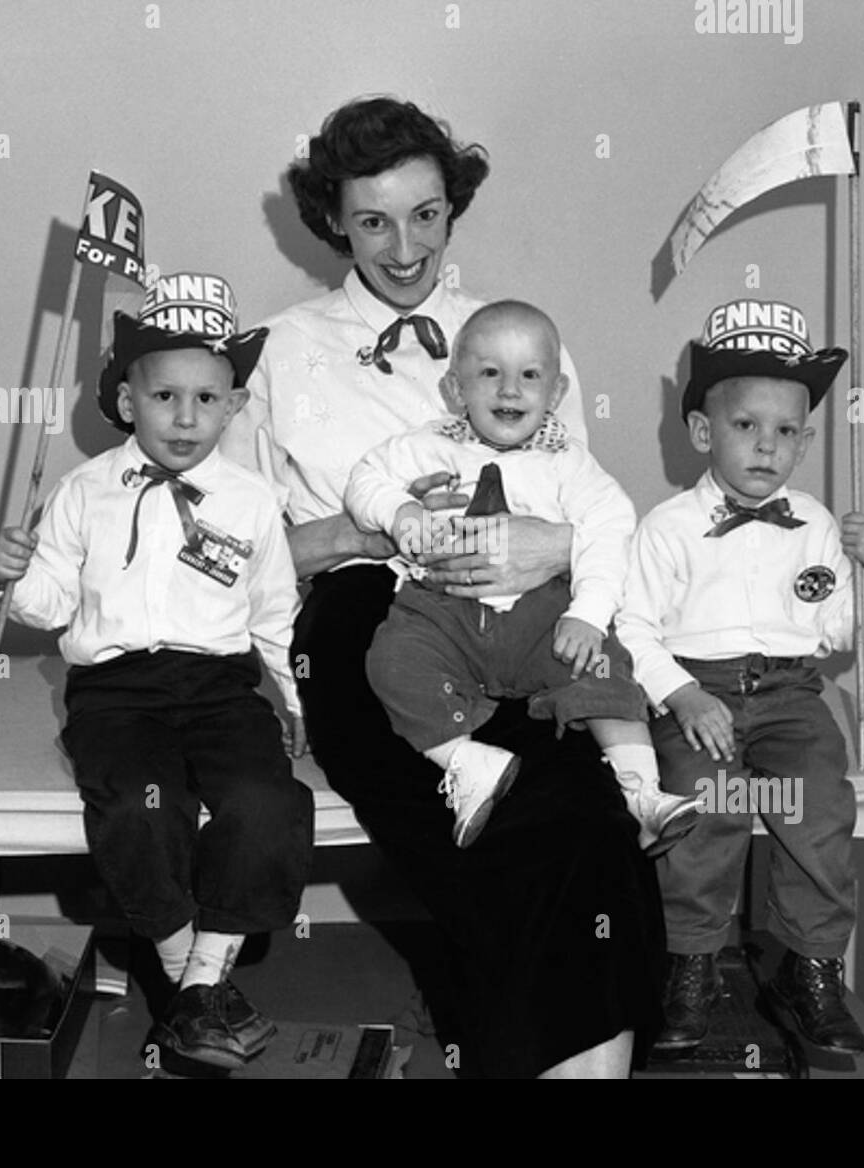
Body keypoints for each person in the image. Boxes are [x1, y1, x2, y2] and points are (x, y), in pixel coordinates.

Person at [222, 97, 663, 1078]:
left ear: (453, 206)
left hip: (514, 617)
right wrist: (373, 527)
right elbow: (245, 555)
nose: (404, 244)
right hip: (363, 623)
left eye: (426, 213)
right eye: (373, 219)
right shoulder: (278, 351)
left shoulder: (513, 338)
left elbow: (579, 514)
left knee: (591, 815)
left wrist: (532, 548)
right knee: (512, 825)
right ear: (332, 219)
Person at [0, 273, 314, 1072]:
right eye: (165, 396)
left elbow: (273, 616)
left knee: (266, 800)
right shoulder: (83, 492)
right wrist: (10, 572)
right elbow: (50, 604)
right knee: (137, 805)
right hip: (118, 694)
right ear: (128, 402)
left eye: (207, 399)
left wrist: (299, 699)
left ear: (234, 407)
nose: (186, 418)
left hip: (219, 689)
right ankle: (189, 974)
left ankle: (197, 989)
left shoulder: (254, 502)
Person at [616, 298, 864, 1055]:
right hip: (693, 691)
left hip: (788, 693)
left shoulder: (815, 525)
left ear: (805, 441)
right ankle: (693, 963)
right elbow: (633, 630)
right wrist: (681, 693)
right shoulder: (667, 527)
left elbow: (840, 631)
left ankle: (807, 967)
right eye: (746, 426)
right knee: (703, 808)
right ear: (704, 432)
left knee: (817, 805)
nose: (766, 447)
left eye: (785, 432)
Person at [345, 299, 698, 851]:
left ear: (555, 394)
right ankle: (467, 762)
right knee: (390, 662)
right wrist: (400, 512)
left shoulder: (568, 462)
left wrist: (587, 613)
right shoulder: (426, 444)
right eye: (489, 374)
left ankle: (641, 791)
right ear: (456, 389)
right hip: (442, 611)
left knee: (606, 663)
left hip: (542, 618)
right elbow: (366, 479)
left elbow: (610, 530)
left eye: (529, 376)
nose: (510, 390)